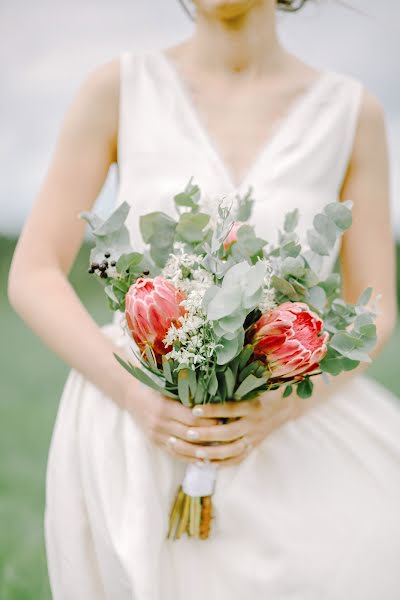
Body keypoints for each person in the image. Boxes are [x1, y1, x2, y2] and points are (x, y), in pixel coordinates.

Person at [8, 0, 400, 598]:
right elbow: (33, 272)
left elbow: (373, 306)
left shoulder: (353, 113)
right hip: (134, 428)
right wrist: (138, 397)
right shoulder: (118, 88)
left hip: (284, 424)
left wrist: (283, 407)